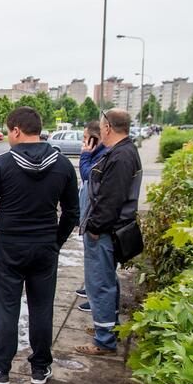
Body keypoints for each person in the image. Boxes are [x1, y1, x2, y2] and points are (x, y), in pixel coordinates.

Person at [0, 107, 79, 384]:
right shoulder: (63, 165)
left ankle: (0, 369)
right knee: (42, 307)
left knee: (7, 307)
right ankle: (41, 368)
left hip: (10, 246)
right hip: (45, 246)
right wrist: (56, 241)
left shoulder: (2, 164)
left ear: (17, 130)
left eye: (9, 131)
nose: (8, 136)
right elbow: (72, 212)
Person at [76, 109, 142, 356]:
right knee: (106, 281)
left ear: (107, 128)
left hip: (103, 232)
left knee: (99, 284)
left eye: (102, 126)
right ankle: (108, 328)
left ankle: (104, 340)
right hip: (107, 231)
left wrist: (94, 228)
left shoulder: (121, 156)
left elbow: (111, 199)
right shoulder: (122, 151)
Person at [74, 121, 108, 310]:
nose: (83, 143)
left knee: (98, 263)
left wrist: (85, 155)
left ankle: (96, 300)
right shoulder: (100, 154)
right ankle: (91, 290)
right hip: (90, 218)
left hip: (95, 221)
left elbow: (88, 175)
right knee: (92, 258)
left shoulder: (101, 156)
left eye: (86, 139)